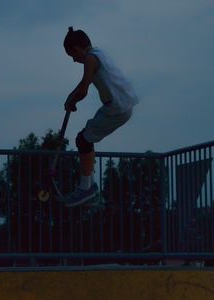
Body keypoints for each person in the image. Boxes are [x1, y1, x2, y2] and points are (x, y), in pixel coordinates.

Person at [63, 26, 139, 207]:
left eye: (73, 55)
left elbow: (83, 89)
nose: (74, 60)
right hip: (122, 104)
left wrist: (71, 100)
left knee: (83, 140)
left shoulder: (90, 59)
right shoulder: (99, 53)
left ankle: (86, 188)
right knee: (86, 139)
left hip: (116, 107)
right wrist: (70, 98)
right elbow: (82, 85)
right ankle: (87, 186)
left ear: (78, 49)